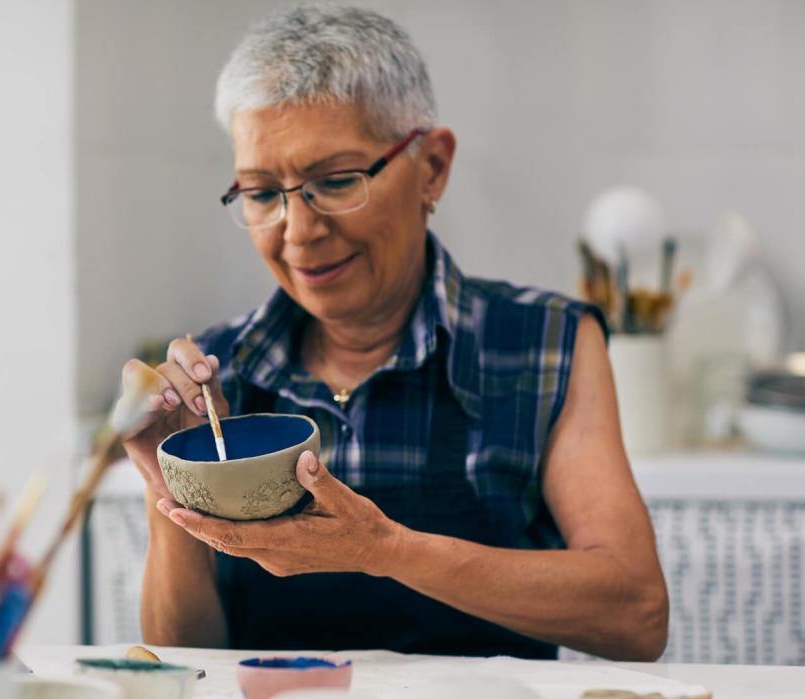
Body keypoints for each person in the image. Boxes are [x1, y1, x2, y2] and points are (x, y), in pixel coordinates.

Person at [119, 5, 668, 661]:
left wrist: (383, 548)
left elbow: (636, 613)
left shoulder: (545, 344)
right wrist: (168, 488)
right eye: (262, 193)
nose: (297, 231)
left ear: (432, 166)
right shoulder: (217, 377)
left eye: (337, 181)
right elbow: (184, 665)